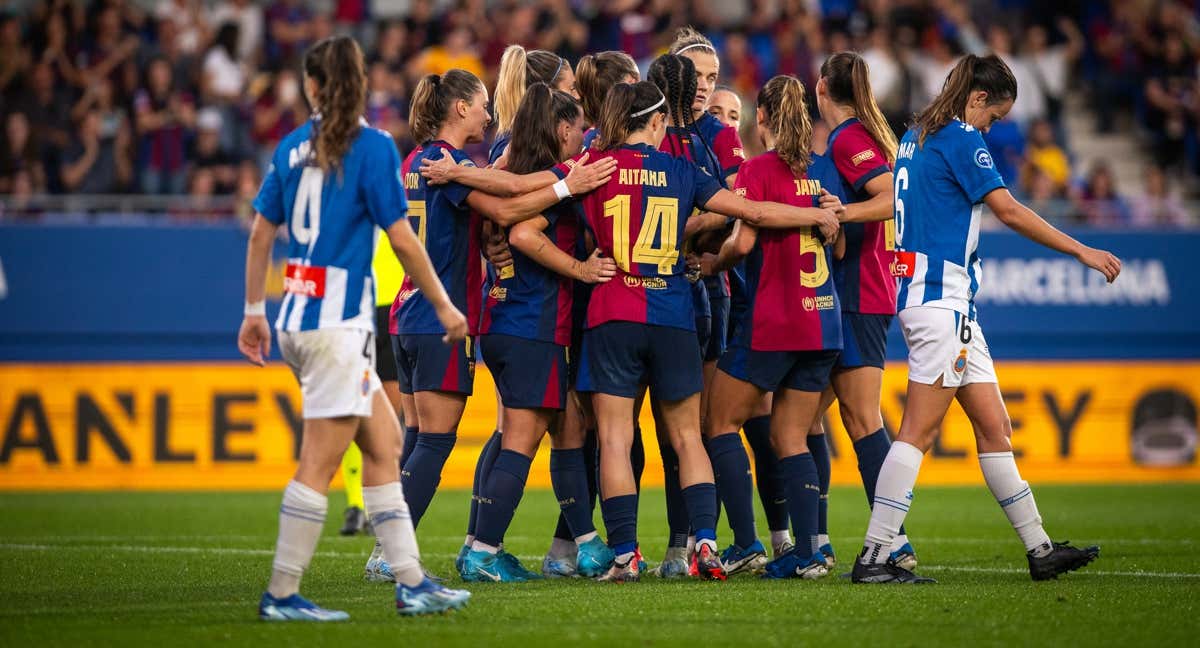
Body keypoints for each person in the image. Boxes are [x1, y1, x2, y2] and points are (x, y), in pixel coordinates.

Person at [852, 54, 1119, 584]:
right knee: (918, 432)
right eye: (994, 117)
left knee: (995, 428)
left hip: (944, 304)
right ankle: (874, 555)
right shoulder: (958, 138)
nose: (991, 128)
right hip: (941, 302)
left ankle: (1040, 549)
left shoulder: (914, 137)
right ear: (977, 99)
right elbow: (1010, 210)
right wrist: (1081, 250)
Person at [239, 36, 471, 620]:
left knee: (386, 443)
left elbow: (261, 231)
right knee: (319, 461)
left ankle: (412, 581)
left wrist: (251, 313)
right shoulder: (370, 148)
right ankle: (283, 594)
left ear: (311, 86)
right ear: (361, 81)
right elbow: (400, 236)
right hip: (336, 326)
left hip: (297, 317)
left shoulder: (291, 148)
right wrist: (444, 305)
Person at [575, 81, 839, 582]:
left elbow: (531, 206)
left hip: (614, 311)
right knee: (688, 438)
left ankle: (626, 556)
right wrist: (815, 214)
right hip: (674, 316)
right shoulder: (683, 171)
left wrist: (569, 262)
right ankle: (706, 545)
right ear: (656, 122)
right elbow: (754, 213)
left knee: (613, 438)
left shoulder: (596, 168)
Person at [382, 68, 614, 582]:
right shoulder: (450, 163)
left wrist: (505, 173)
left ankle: (474, 545)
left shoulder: (418, 160)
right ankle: (434, 551)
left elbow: (502, 183)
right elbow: (509, 206)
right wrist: (566, 186)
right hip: (454, 317)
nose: (489, 112)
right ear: (460, 107)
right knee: (469, 442)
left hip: (413, 313)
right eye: (482, 103)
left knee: (426, 437)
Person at [460, 85, 618, 582]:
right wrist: (581, 269)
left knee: (570, 427)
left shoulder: (515, 173)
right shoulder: (556, 184)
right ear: (560, 128)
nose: (579, 136)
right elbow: (524, 234)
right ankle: (482, 551)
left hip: (509, 321)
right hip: (532, 325)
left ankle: (585, 543)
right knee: (522, 441)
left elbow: (502, 219)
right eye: (574, 127)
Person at [700, 73, 846, 580]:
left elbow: (740, 244)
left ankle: (744, 543)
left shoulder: (758, 171)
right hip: (823, 323)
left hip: (775, 321)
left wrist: (710, 266)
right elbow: (840, 244)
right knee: (793, 437)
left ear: (760, 118)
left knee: (718, 424)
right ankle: (810, 553)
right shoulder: (823, 171)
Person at [804, 51, 919, 570]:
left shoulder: (850, 138)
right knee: (802, 418)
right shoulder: (847, 137)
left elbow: (890, 196)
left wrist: (841, 212)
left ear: (821, 86)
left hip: (858, 294)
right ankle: (818, 538)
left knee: (859, 417)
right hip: (851, 292)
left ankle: (891, 538)